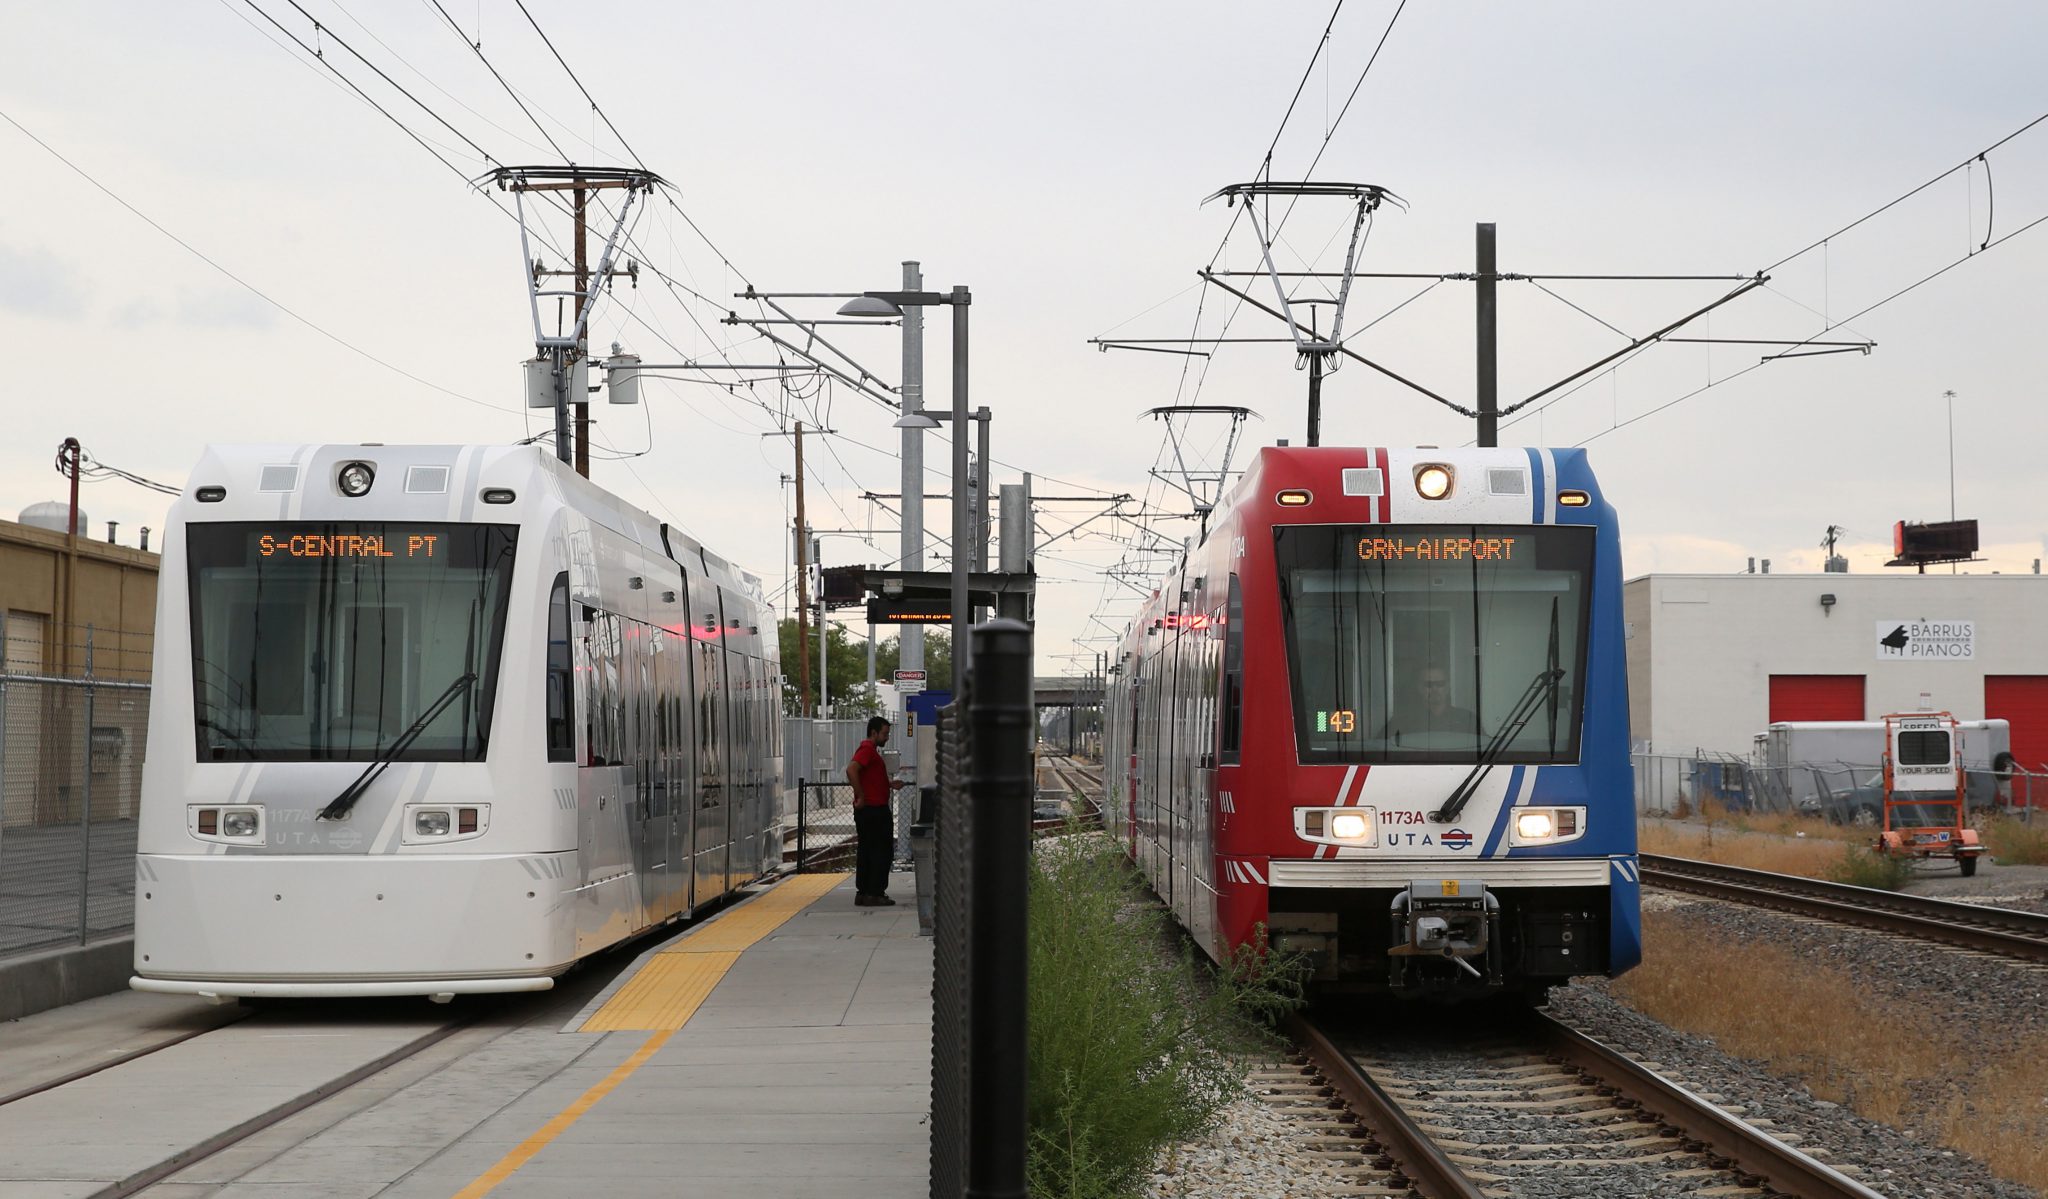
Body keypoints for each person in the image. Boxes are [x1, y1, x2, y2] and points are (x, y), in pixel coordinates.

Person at [846, 715, 909, 907]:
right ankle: (875, 892)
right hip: (874, 810)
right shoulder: (867, 749)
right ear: (874, 733)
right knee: (881, 851)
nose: (887, 737)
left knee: (867, 850)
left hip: (870, 809)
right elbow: (851, 770)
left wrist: (888, 784)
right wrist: (861, 796)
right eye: (885, 733)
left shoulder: (871, 752)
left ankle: (864, 892)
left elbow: (867, 777)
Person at [1393, 666, 1478, 744]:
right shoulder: (1403, 721)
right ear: (1419, 688)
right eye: (1428, 684)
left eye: (1440, 684)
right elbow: (1382, 746)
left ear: (1448, 687)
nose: (1434, 689)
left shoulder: (1467, 718)